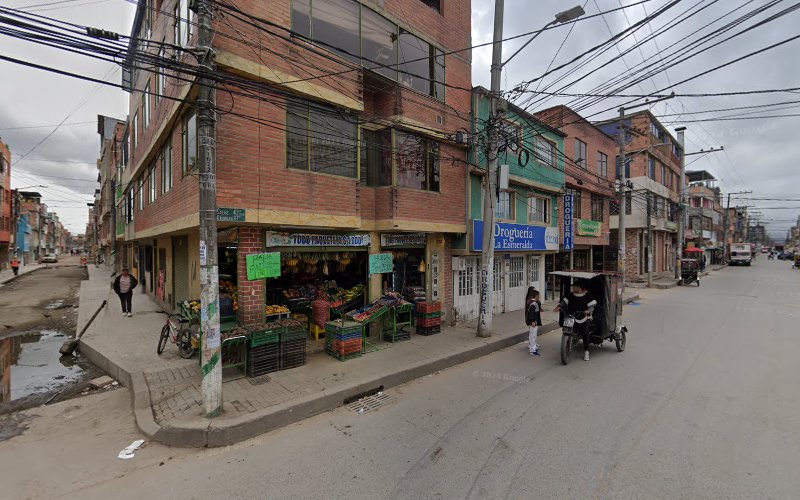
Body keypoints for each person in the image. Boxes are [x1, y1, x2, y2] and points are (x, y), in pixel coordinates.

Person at [554, 280, 597, 361]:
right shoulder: (571, 295)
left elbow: (592, 306)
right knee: (567, 329)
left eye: (575, 287)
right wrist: (559, 306)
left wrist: (589, 310)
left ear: (580, 288)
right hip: (572, 316)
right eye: (573, 286)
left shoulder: (587, 296)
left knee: (585, 333)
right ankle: (567, 342)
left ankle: (586, 352)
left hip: (584, 318)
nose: (573, 288)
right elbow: (564, 302)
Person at [525, 287, 543, 356]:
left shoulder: (533, 302)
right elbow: (531, 314)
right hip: (533, 323)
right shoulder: (533, 304)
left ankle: (532, 346)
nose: (539, 297)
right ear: (536, 296)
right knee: (533, 336)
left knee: (531, 335)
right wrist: (533, 321)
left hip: (534, 322)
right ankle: (532, 350)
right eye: (539, 296)